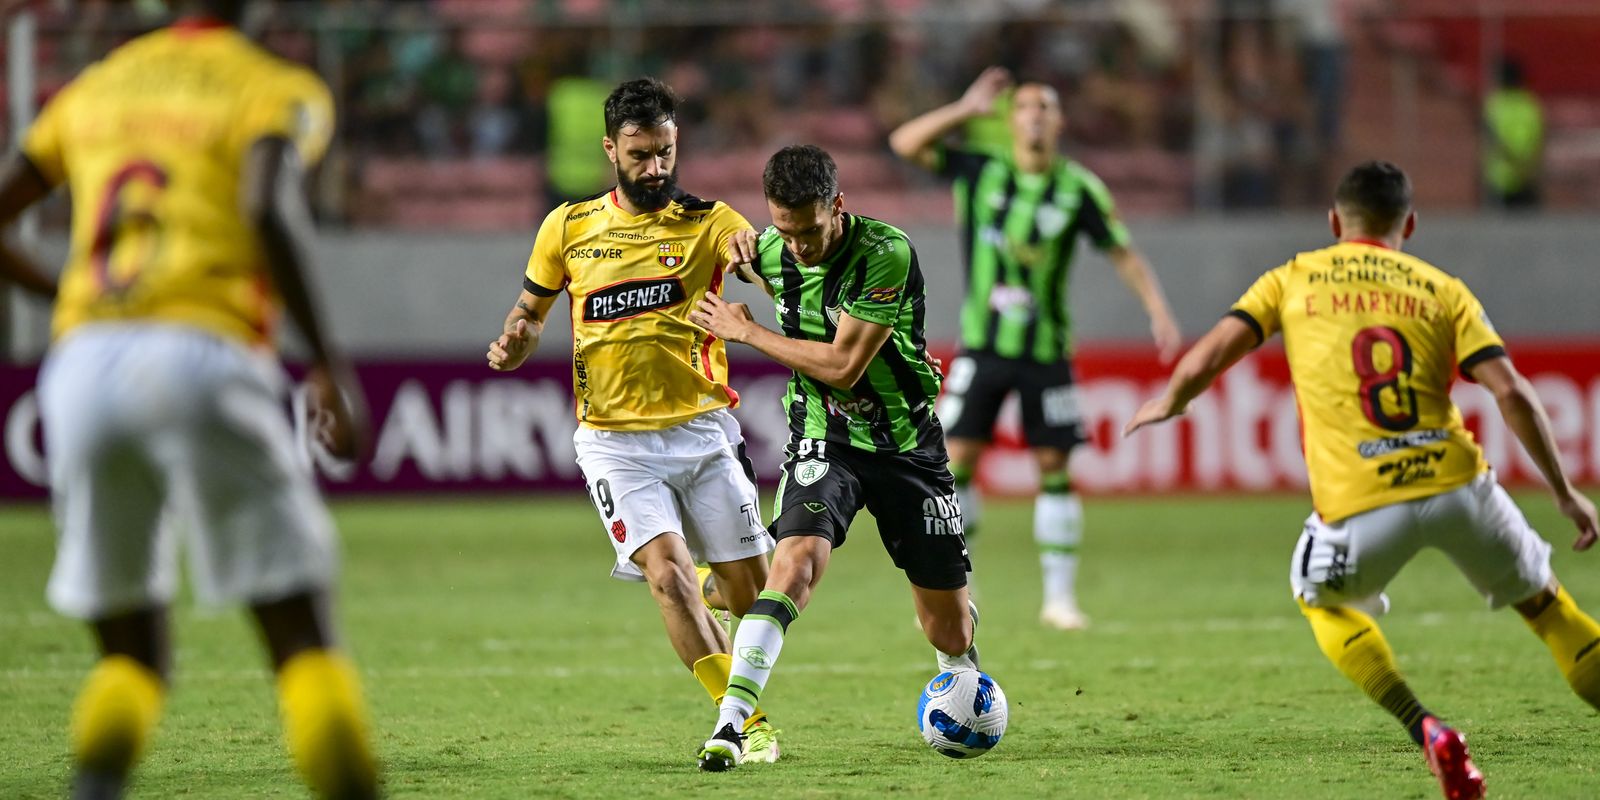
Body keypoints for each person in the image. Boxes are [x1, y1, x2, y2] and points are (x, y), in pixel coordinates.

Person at [1124, 161, 1600, 800]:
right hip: (1460, 485)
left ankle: (1426, 728)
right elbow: (1511, 391)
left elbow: (1214, 350)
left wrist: (1174, 399)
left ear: (1333, 221)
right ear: (1408, 222)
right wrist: (1564, 491)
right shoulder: (1442, 288)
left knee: (1318, 595)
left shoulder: (1294, 277)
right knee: (1549, 610)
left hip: (1361, 506)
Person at [0, 3, 381, 798]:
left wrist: (69, 293)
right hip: (205, 349)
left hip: (80, 365)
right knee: (299, 635)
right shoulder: (275, 87)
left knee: (128, 653)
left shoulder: (94, 87)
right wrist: (328, 363)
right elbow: (268, 207)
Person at [485, 77, 780, 763]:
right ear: (611, 149)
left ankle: (721, 589)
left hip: (705, 431)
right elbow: (528, 311)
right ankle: (743, 721)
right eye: (641, 155)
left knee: (755, 595)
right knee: (666, 573)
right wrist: (518, 338)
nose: (656, 169)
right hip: (614, 442)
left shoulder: (712, 222)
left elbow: (772, 272)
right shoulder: (568, 226)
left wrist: (760, 270)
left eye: (666, 153)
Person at [688, 144, 979, 772]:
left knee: (948, 631)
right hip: (825, 436)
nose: (799, 247)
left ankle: (726, 582)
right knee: (795, 567)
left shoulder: (885, 251)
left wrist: (748, 333)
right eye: (784, 232)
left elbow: (848, 366)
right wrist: (738, 249)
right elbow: (733, 253)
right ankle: (733, 724)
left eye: (811, 231)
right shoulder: (770, 248)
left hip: (907, 446)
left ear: (837, 206)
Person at [889, 66, 1182, 630]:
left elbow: (1121, 251)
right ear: (1011, 120)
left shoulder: (1079, 188)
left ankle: (1060, 599)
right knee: (955, 463)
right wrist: (964, 109)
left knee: (1054, 465)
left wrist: (1157, 309)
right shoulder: (981, 172)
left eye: (1044, 108)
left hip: (1046, 351)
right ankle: (960, 587)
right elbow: (904, 143)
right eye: (1024, 108)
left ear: (1059, 121)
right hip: (983, 346)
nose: (1034, 117)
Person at [1481, 58, 1544, 210]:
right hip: (1527, 177)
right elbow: (1540, 141)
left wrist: (1514, 162)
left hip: (1500, 180)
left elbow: (1491, 140)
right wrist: (1527, 167)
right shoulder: (1531, 104)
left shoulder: (1494, 104)